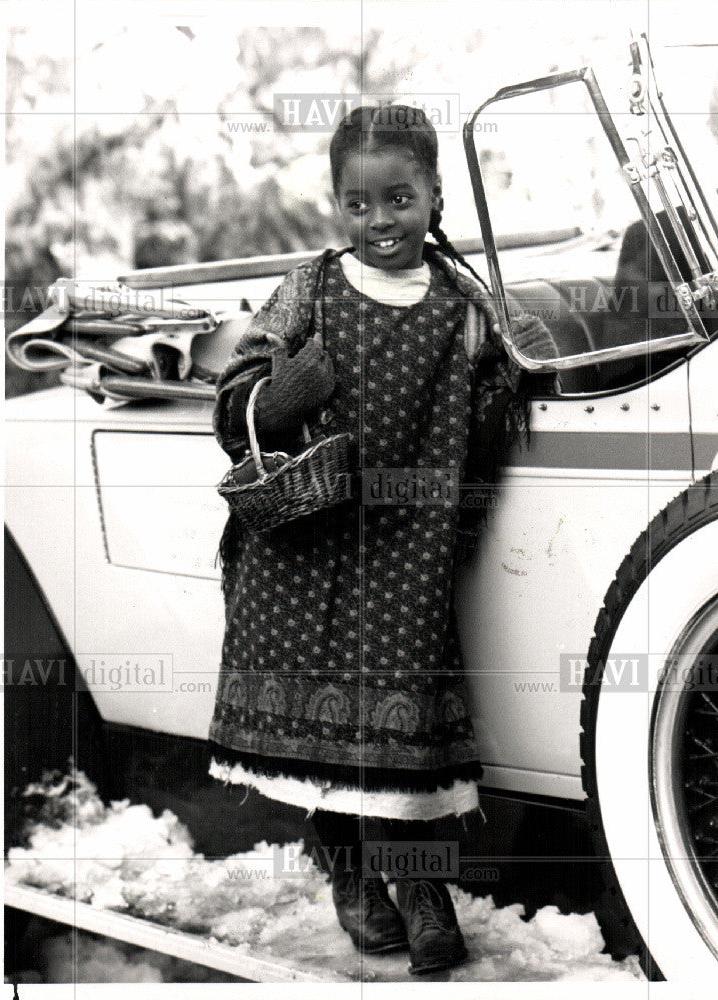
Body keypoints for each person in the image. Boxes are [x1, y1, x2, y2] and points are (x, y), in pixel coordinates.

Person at [206, 104, 559, 975]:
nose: (379, 223)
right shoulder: (310, 288)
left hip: (407, 549)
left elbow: (508, 385)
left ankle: (423, 883)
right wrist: (279, 396)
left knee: (407, 725)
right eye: (357, 207)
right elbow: (234, 402)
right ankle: (352, 875)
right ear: (337, 207)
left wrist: (513, 368)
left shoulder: (464, 302)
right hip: (302, 549)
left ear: (436, 194)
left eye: (399, 199)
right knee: (317, 739)